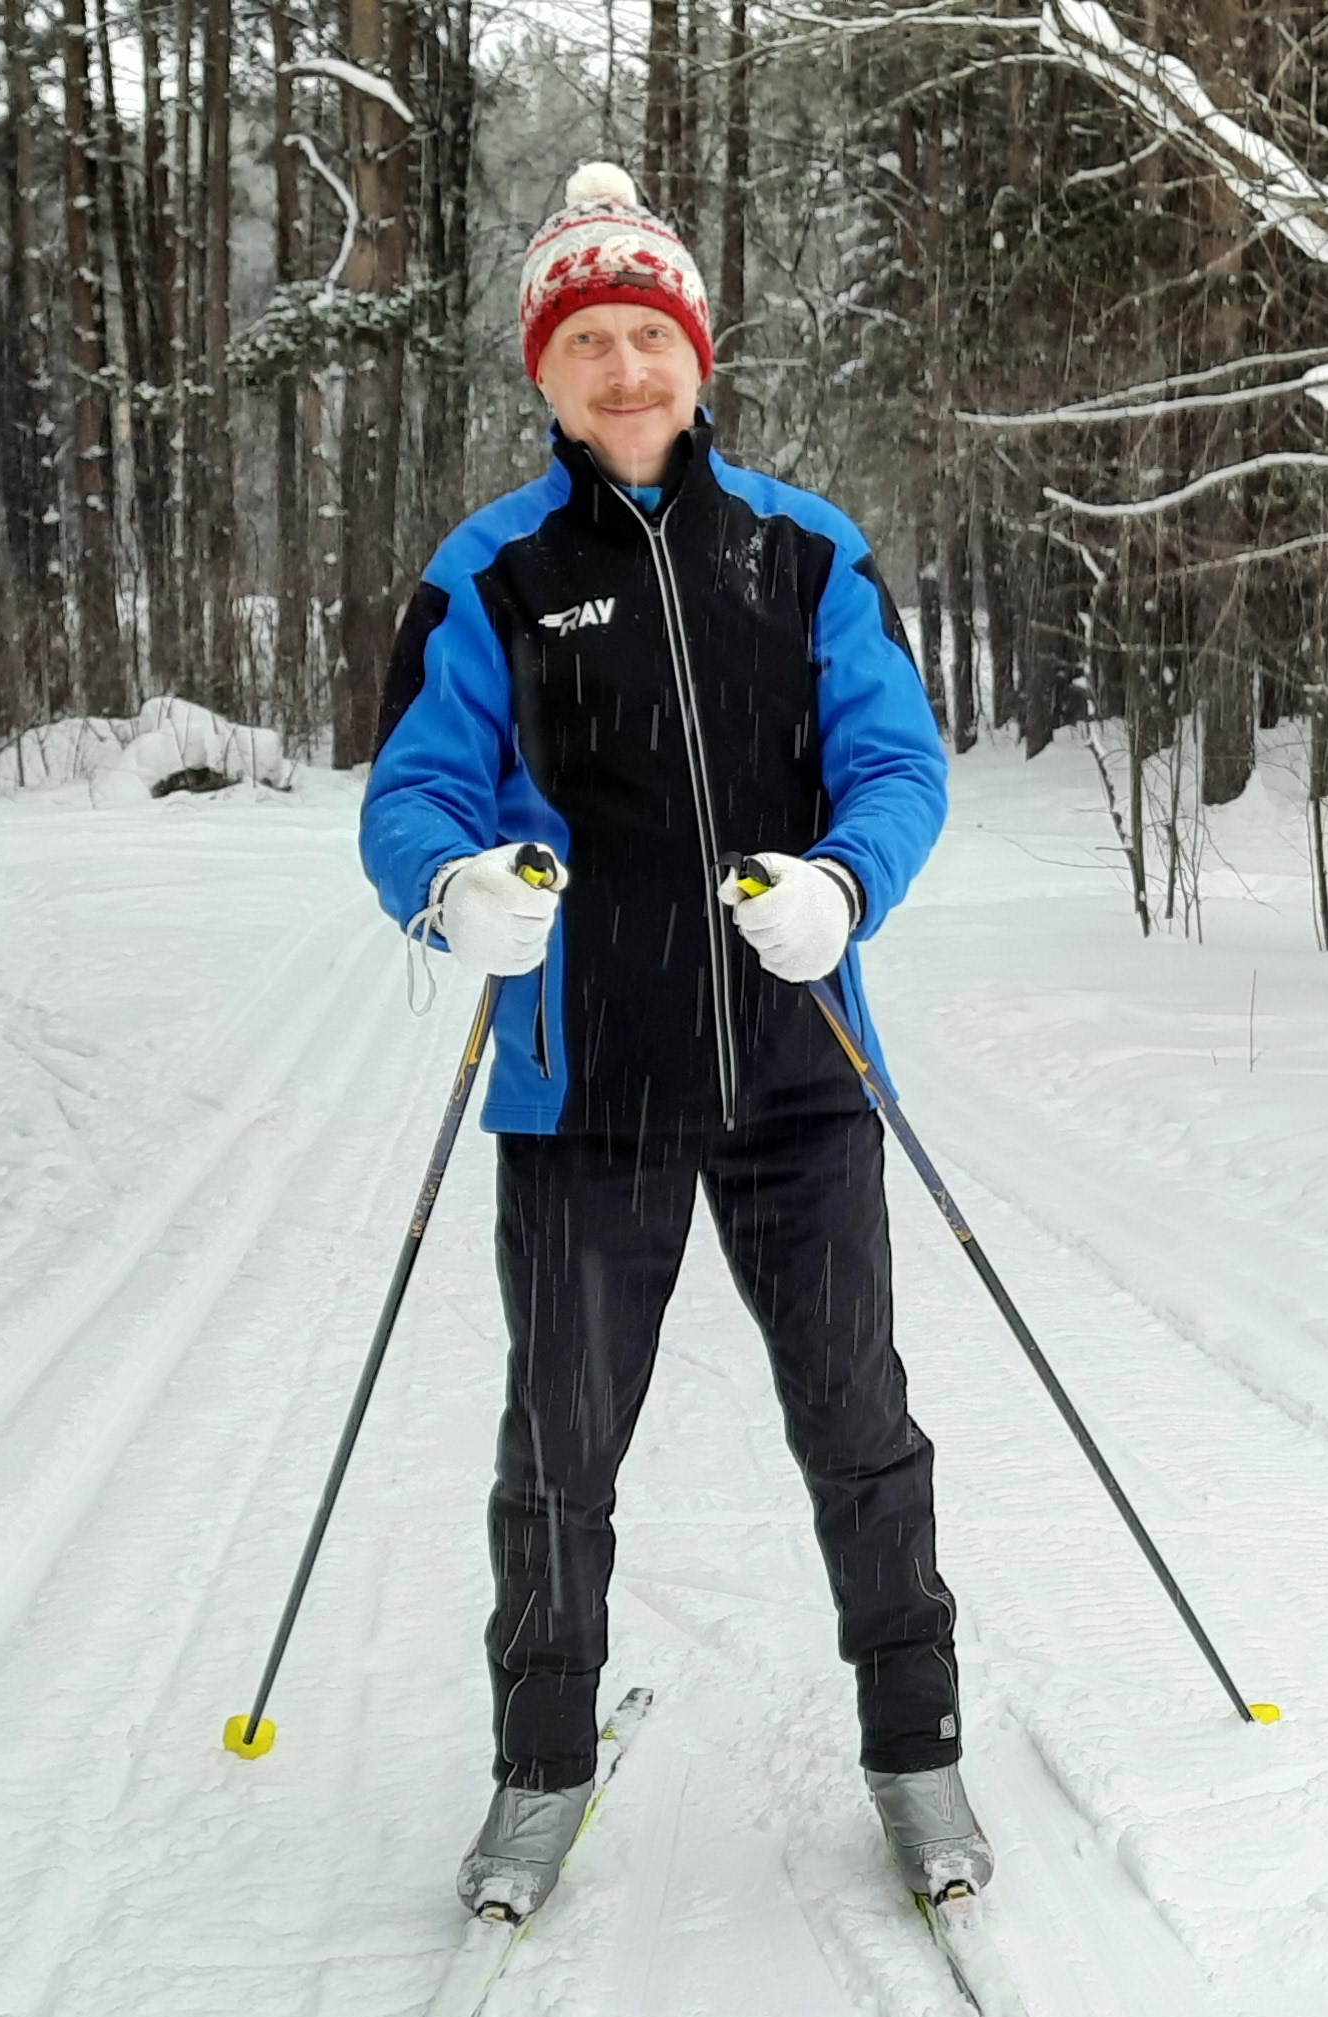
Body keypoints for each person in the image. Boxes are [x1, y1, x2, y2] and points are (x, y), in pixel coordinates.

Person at [359, 162, 987, 1918]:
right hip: (583, 1095)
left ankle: (917, 1748)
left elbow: (898, 765)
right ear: (545, 375)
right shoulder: (491, 570)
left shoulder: (801, 548)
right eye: (590, 344)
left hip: (802, 1079)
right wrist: (451, 889)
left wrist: (848, 891)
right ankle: (540, 1771)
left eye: (651, 336)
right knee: (559, 1448)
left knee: (861, 1423)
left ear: (697, 355)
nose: (625, 370)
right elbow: (409, 789)